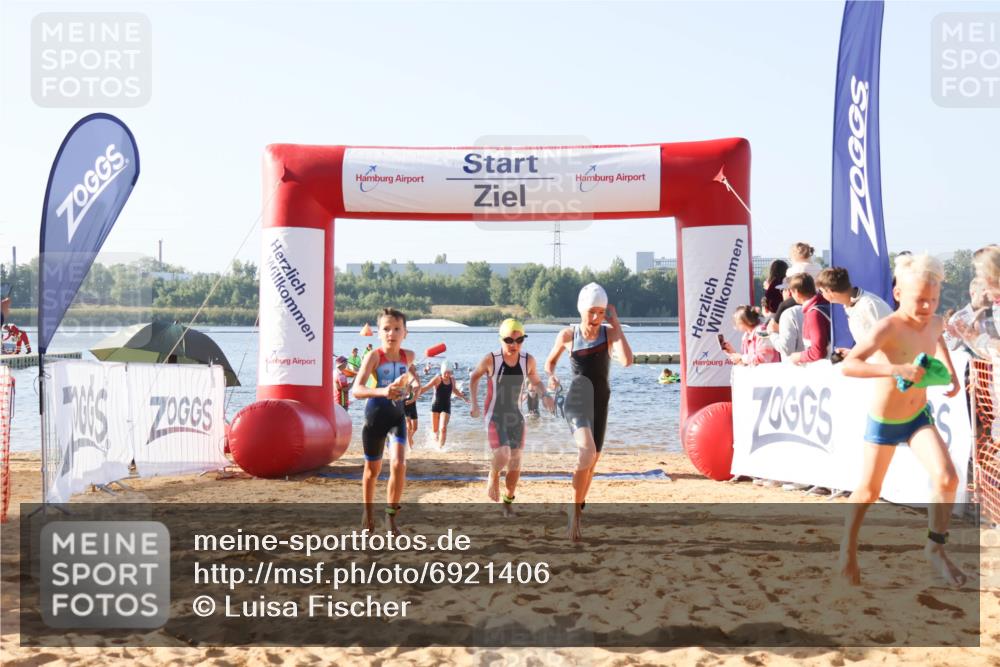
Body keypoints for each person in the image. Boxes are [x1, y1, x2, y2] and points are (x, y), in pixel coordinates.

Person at [838, 254, 965, 587]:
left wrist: (950, 373)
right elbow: (850, 365)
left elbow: (937, 340)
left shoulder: (935, 321)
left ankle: (935, 549)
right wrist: (894, 369)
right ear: (898, 294)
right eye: (920, 300)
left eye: (934, 300)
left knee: (947, 477)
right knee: (868, 490)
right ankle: (847, 550)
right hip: (884, 421)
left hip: (918, 415)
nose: (927, 307)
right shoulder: (888, 327)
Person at [545, 283, 633, 541]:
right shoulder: (568, 335)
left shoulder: (609, 333)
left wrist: (616, 325)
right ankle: (573, 514)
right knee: (587, 452)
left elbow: (627, 361)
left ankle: (579, 507)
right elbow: (549, 362)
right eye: (591, 312)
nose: (596, 318)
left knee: (592, 464)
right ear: (582, 310)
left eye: (601, 313)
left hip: (601, 403)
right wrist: (551, 377)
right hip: (576, 400)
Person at [470, 318, 552, 516]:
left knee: (515, 461)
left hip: (516, 417)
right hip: (494, 415)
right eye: (509, 340)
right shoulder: (492, 359)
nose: (514, 345)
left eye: (519, 340)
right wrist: (474, 404)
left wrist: (545, 395)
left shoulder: (528, 360)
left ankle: (508, 502)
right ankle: (493, 475)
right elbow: (474, 377)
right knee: (504, 453)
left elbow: (537, 381)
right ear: (501, 340)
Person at [352, 308, 418, 534]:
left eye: (397, 329)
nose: (392, 333)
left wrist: (414, 388)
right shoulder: (374, 357)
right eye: (386, 329)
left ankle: (391, 518)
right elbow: (356, 390)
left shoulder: (408, 356)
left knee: (400, 464)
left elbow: (411, 376)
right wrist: (383, 391)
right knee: (373, 471)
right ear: (379, 332)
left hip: (397, 417)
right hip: (375, 418)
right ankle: (368, 514)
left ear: (405, 333)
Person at [815, 266, 893, 356]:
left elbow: (885, 342)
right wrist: (852, 353)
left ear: (829, 291)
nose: (821, 295)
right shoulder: (854, 304)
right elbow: (868, 341)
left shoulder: (868, 305)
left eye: (821, 292)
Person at [420, 360, 468, 448]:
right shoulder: (437, 379)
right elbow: (425, 388)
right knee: (435, 431)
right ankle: (435, 443)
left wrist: (463, 397)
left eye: (449, 372)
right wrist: (415, 394)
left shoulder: (452, 379)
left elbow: (454, 390)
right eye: (446, 372)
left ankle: (440, 448)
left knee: (443, 428)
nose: (447, 374)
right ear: (442, 371)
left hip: (446, 406)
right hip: (435, 406)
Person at [785, 273, 831, 364]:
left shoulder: (814, 314)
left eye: (791, 292)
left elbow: (818, 352)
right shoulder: (823, 305)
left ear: (797, 292)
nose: (791, 295)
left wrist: (798, 356)